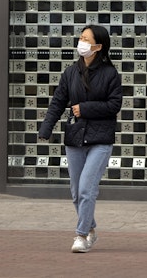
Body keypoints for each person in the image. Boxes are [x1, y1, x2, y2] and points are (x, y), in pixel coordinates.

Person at [38, 24, 123, 253]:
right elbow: (57, 102)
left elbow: (114, 105)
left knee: (87, 189)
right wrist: (46, 128)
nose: (81, 42)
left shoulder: (110, 74)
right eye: (81, 38)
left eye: (86, 39)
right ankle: (91, 227)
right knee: (76, 192)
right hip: (75, 138)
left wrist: (84, 108)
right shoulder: (70, 73)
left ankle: (81, 235)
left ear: (98, 46)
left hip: (101, 139)